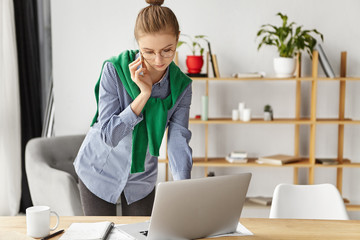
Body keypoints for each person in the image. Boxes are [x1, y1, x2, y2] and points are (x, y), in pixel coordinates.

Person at [73, 0, 193, 216]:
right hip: (98, 169)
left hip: (142, 177)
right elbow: (109, 135)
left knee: (141, 234)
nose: (158, 60)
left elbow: (178, 140)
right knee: (101, 233)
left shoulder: (181, 86)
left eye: (168, 50)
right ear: (138, 44)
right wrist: (144, 95)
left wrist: (184, 189)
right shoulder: (114, 70)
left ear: (178, 39)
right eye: (148, 51)